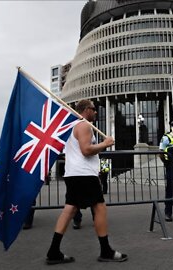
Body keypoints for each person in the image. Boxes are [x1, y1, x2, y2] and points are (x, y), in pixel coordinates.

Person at [45, 100, 127, 264]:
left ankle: (53, 251)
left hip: (74, 174)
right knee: (100, 208)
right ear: (85, 110)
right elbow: (86, 150)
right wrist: (105, 143)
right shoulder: (84, 125)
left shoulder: (73, 126)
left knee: (69, 209)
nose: (96, 112)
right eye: (94, 109)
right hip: (84, 175)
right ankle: (105, 251)